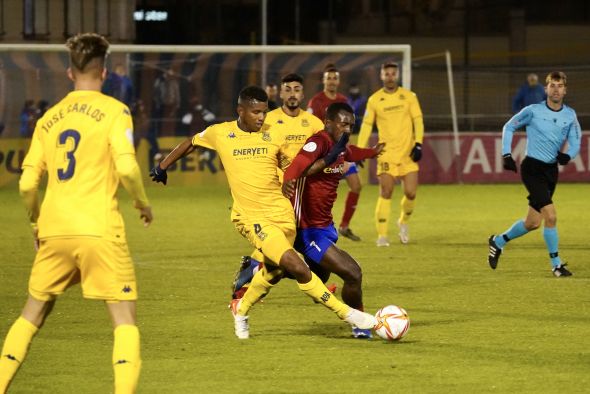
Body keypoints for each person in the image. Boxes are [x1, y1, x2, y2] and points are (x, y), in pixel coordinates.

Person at [149, 86, 377, 340]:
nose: (261, 117)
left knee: (276, 271)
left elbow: (296, 167)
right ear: (241, 111)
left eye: (264, 112)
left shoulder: (273, 133)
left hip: (282, 212)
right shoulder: (221, 133)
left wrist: (318, 165)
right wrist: (162, 166)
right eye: (256, 112)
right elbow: (191, 143)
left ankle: (242, 307)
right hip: (252, 217)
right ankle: (351, 315)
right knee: (299, 268)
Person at [0, 33, 152, 394]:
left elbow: (26, 184)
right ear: (104, 73)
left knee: (33, 313)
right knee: (124, 320)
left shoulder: (49, 118)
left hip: (54, 229)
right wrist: (141, 202)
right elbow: (129, 170)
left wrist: (37, 222)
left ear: (70, 73)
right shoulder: (116, 111)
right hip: (99, 228)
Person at [234, 102, 384, 338]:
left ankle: (262, 266)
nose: (348, 130)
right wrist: (289, 179)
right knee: (352, 273)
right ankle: (360, 325)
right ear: (329, 123)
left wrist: (372, 152)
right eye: (344, 124)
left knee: (317, 276)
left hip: (324, 226)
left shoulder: (340, 146)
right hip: (306, 229)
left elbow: (350, 153)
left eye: (351, 125)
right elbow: (298, 165)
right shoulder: (319, 142)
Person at [232, 73, 325, 298]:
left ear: (303, 94)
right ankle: (309, 284)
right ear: (281, 93)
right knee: (280, 238)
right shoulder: (268, 119)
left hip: (304, 190)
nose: (292, 94)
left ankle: (254, 270)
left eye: (296, 89)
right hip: (274, 190)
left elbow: (324, 151)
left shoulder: (314, 123)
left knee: (289, 239)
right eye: (288, 89)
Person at [488, 71, 580, 277]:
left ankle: (498, 241)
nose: (556, 89)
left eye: (560, 86)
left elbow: (576, 141)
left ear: (565, 90)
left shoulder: (570, 115)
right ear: (545, 89)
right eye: (552, 85)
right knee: (552, 216)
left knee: (533, 222)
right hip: (532, 169)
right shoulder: (533, 110)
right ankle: (556, 265)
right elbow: (508, 127)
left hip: (550, 171)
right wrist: (506, 154)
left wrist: (569, 155)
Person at [357, 62, 424, 247]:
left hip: (407, 153)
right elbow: (366, 126)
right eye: (387, 73)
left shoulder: (409, 97)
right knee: (386, 192)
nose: (390, 77)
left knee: (411, 193)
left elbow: (418, 121)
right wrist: (361, 150)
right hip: (386, 154)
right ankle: (382, 236)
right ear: (382, 76)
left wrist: (418, 143)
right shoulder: (374, 100)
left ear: (397, 75)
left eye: (393, 73)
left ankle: (403, 222)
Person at [307, 64, 364, 242]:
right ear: (323, 80)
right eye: (329, 78)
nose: (332, 81)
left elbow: (347, 128)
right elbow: (310, 128)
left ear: (338, 81)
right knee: (321, 193)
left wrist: (351, 152)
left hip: (341, 151)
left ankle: (345, 226)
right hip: (324, 154)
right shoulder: (315, 102)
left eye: (334, 78)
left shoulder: (343, 100)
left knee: (356, 185)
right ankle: (316, 226)